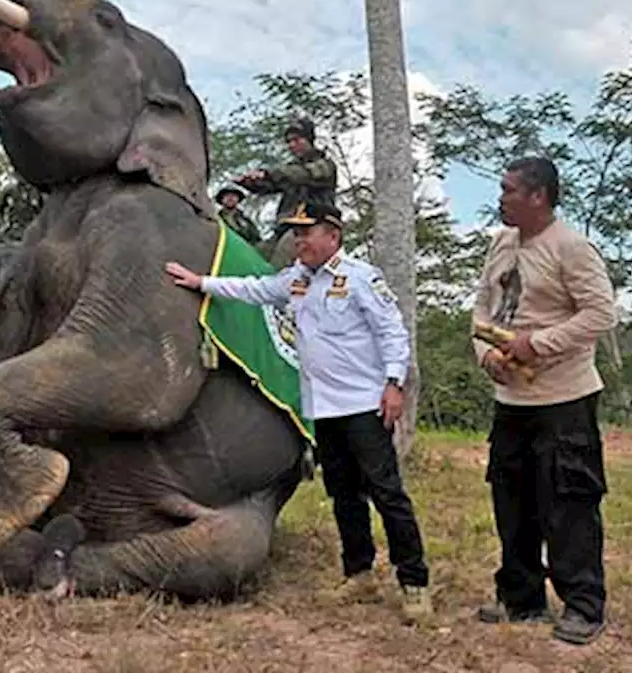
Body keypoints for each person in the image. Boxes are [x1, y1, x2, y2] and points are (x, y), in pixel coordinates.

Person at [165, 201, 432, 623]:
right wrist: (201, 282)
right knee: (344, 495)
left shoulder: (361, 278)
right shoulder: (295, 281)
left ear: (333, 236)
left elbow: (392, 332)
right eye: (296, 233)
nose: (299, 240)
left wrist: (395, 384)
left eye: (307, 232)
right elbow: (252, 290)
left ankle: (414, 582)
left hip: (364, 406)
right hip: (322, 409)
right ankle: (359, 572)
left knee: (387, 493)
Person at [469, 156, 617, 646]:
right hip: (511, 399)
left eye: (509, 189)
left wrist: (538, 343)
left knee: (568, 501)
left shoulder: (571, 248)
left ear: (539, 196)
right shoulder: (501, 245)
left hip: (563, 398)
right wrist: (487, 354)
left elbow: (600, 315)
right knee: (511, 498)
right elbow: (483, 308)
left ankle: (582, 605)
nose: (501, 197)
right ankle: (521, 597)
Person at [233, 115, 337, 267]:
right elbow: (270, 186)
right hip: (285, 227)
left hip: (313, 226)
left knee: (280, 264)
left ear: (309, 140)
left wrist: (268, 174)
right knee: (253, 257)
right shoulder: (289, 169)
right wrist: (250, 183)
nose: (292, 145)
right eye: (289, 141)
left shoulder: (325, 165)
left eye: (297, 140)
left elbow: (300, 174)